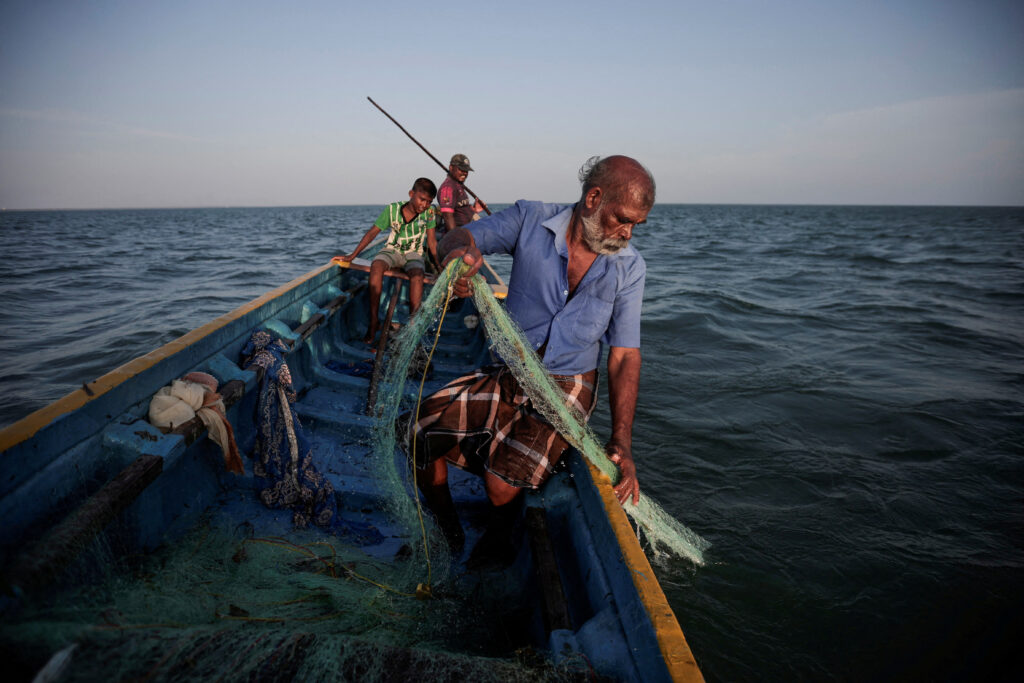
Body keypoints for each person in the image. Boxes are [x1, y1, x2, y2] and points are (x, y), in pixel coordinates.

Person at [409, 155, 654, 563]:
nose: (627, 233)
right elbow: (462, 237)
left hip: (569, 382)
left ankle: (500, 535)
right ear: (593, 198)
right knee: (417, 437)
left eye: (636, 226)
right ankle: (448, 533)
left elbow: (625, 355)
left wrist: (622, 442)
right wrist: (458, 258)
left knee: (499, 485)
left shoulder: (630, 268)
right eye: (622, 219)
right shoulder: (530, 218)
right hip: (508, 369)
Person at [335, 177, 440, 345]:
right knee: (376, 266)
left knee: (418, 275)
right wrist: (352, 256)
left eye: (429, 202)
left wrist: (440, 267)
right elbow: (373, 232)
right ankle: (374, 321)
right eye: (422, 199)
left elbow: (433, 242)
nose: (424, 205)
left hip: (413, 253)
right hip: (392, 250)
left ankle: (413, 326)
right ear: (411, 194)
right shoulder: (393, 209)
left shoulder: (429, 213)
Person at [437, 153, 486, 238]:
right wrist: (456, 239)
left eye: (466, 171)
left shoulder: (458, 185)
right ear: (451, 168)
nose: (464, 173)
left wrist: (474, 209)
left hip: (470, 231)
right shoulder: (448, 188)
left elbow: (460, 209)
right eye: (461, 169)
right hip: (460, 236)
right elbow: (448, 217)